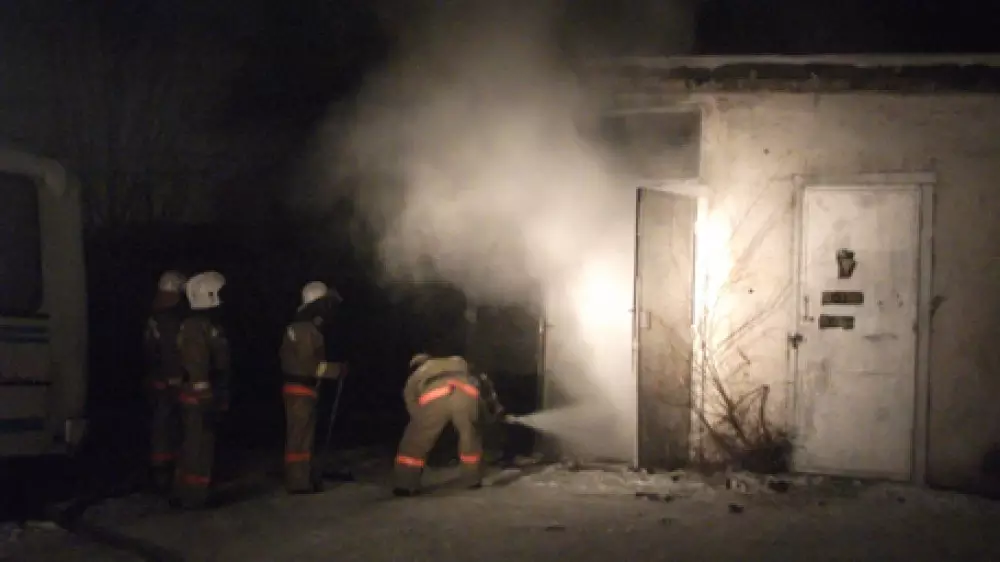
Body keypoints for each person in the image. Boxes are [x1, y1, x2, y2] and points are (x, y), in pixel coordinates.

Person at [392, 353, 495, 496]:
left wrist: (420, 420)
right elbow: (478, 383)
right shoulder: (458, 362)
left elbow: (410, 397)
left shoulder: (420, 371)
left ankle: (405, 484)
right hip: (468, 395)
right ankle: (472, 479)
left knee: (415, 441)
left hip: (436, 395)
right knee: (470, 437)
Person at [172, 271, 231, 509]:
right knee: (198, 444)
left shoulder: (205, 325)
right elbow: (197, 361)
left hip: (206, 392)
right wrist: (203, 391)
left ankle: (190, 492)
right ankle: (193, 495)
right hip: (198, 396)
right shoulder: (196, 327)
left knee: (199, 442)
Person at [279, 281, 343, 494]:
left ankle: (302, 478)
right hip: (301, 389)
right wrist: (336, 370)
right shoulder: (305, 330)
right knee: (300, 438)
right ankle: (298, 482)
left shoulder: (303, 328)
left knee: (302, 436)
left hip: (301, 389)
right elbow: (310, 365)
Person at [142, 270, 188, 492]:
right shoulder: (171, 319)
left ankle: (160, 470)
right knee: (170, 426)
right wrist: (176, 377)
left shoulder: (154, 317)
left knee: (160, 426)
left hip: (157, 379)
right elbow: (170, 350)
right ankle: (168, 473)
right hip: (170, 381)